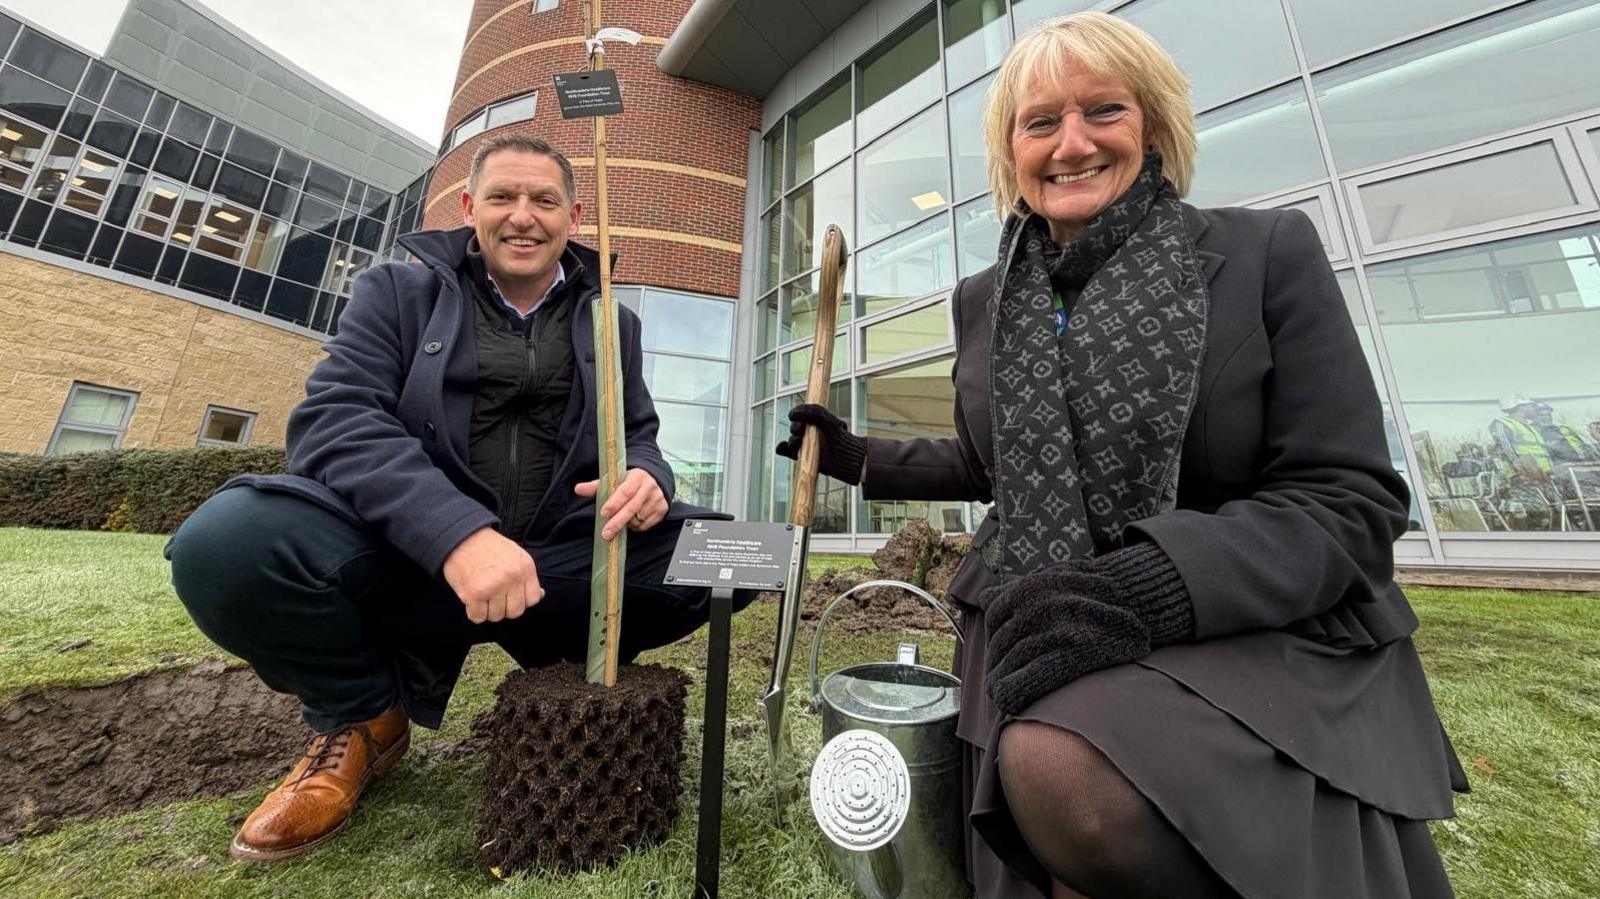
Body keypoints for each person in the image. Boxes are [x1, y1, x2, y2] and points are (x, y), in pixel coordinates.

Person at [779, 14, 1464, 898]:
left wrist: (1150, 588)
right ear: (1011, 150)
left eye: (1103, 109)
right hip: (1033, 615)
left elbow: (1351, 500)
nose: (1071, 143)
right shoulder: (985, 298)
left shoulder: (1262, 255)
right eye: (1039, 122)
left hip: (1245, 626)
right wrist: (856, 456)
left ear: (1152, 127)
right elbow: (1000, 464)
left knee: (1070, 773)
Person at [165, 134, 736, 862]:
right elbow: (336, 421)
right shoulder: (396, 293)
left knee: (733, 553)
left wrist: (649, 477)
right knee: (227, 542)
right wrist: (456, 534)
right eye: (502, 197)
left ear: (574, 214)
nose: (522, 216)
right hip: (410, 561)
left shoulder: (612, 319)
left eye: (543, 200)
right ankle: (364, 716)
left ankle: (559, 667)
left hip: (553, 568)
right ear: (470, 207)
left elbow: (638, 433)